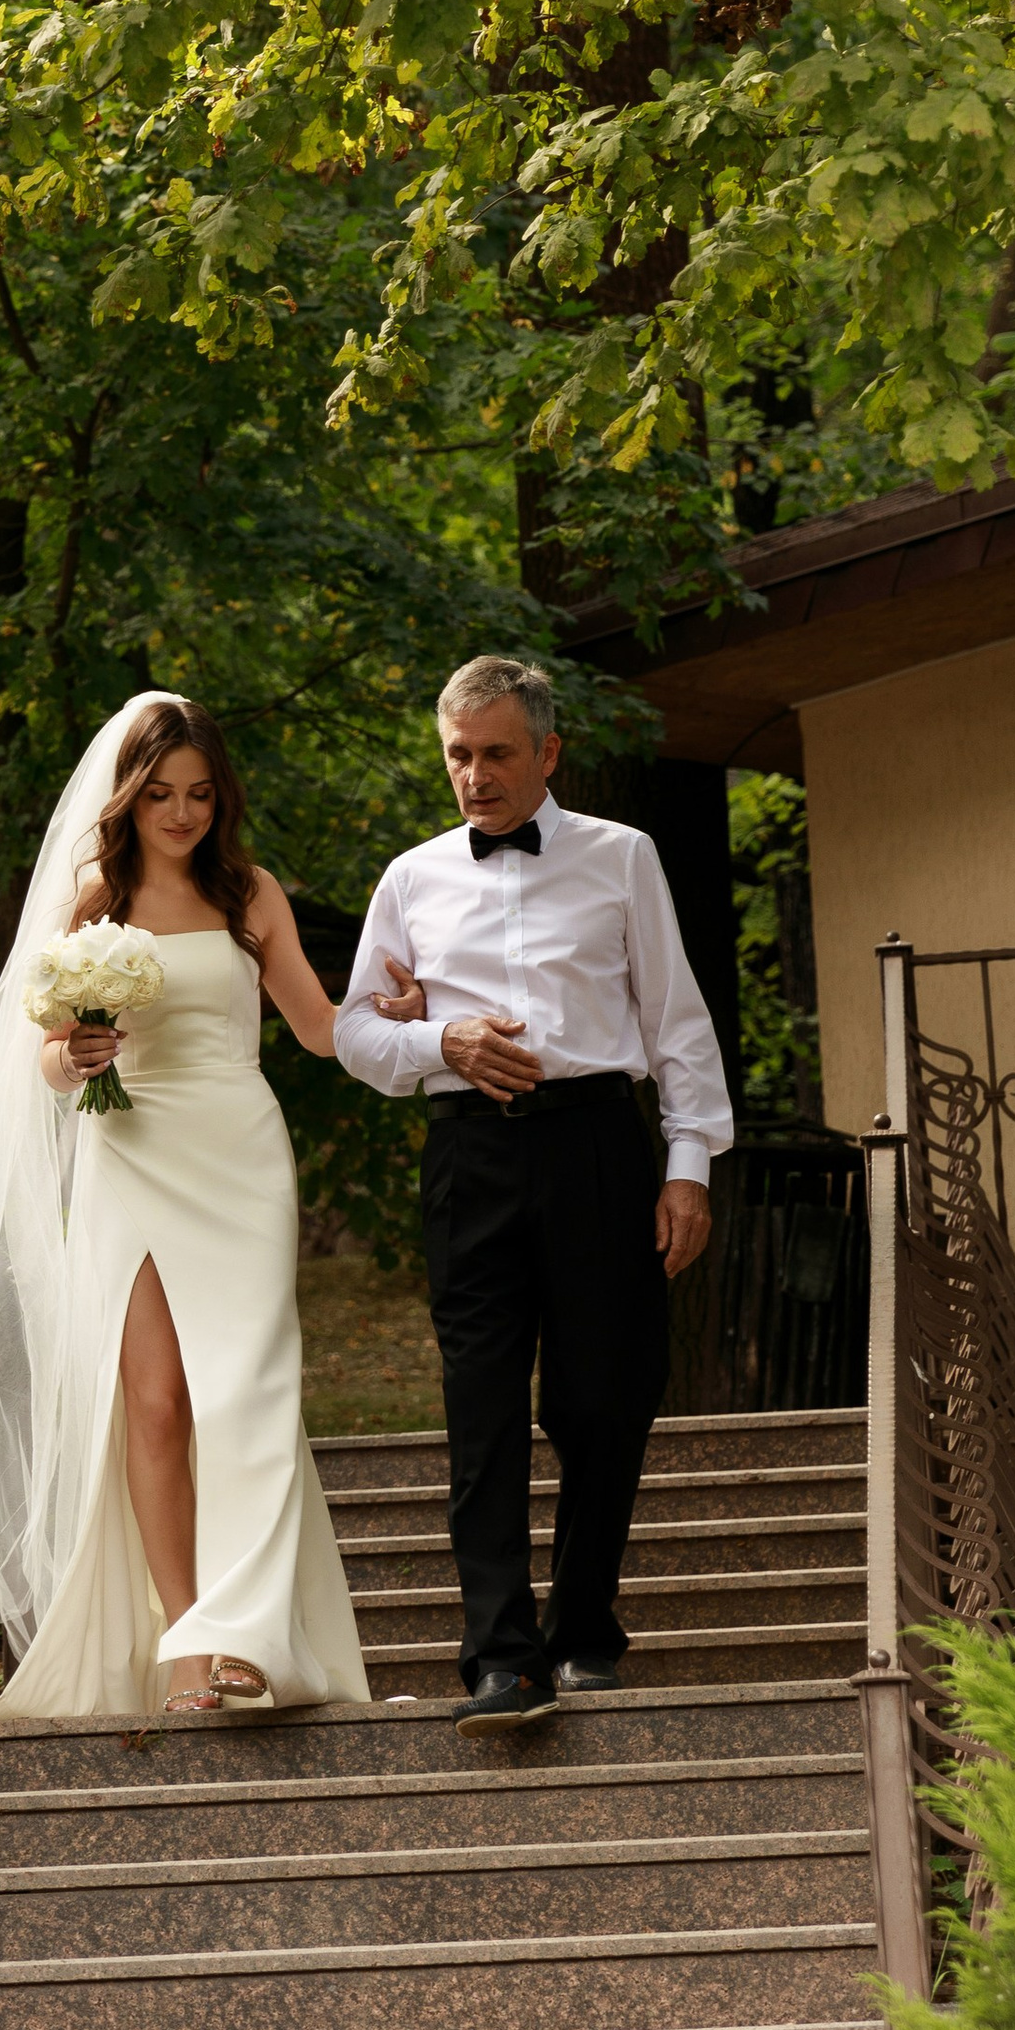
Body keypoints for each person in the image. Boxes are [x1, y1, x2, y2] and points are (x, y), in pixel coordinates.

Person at [0, 693, 383, 1722]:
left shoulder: (250, 893)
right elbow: (42, 1061)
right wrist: (76, 1053)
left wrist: (392, 1007)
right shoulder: (93, 895)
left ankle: (249, 1635)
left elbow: (320, 1032)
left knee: (246, 1395)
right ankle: (190, 1645)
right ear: (129, 797)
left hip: (238, 1155)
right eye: (160, 794)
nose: (182, 814)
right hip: (130, 1154)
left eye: (199, 794)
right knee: (153, 1405)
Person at [334, 653, 731, 1729]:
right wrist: (442, 1040)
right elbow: (354, 1033)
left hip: (599, 1146)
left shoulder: (622, 857)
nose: (474, 775)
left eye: (496, 753)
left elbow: (676, 1023)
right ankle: (500, 1658)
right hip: (471, 1159)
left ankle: (586, 1631)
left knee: (604, 1402)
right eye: (457, 755)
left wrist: (687, 1166)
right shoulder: (411, 879)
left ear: (546, 752)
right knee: (481, 1411)